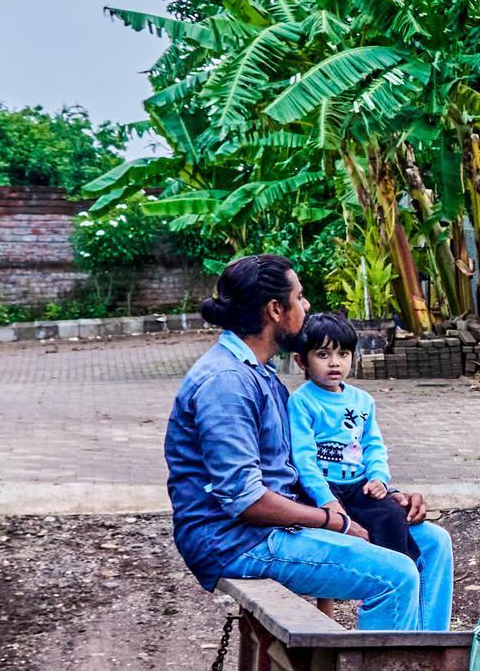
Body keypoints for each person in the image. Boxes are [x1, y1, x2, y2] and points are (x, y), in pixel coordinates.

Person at [164, 257, 455, 631]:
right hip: (235, 541)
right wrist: (333, 521)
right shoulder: (227, 383)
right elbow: (246, 500)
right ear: (274, 310)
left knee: (433, 544)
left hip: (270, 525)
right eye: (300, 298)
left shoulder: (258, 372)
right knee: (395, 574)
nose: (306, 307)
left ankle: (425, 670)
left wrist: (386, 496)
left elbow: (299, 465)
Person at [286, 313, 428, 566]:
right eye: (322, 355)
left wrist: (379, 479)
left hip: (358, 485)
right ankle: (360, 580)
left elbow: (373, 445)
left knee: (392, 515)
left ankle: (400, 572)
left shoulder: (362, 400)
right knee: (339, 538)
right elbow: (303, 457)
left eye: (343, 354)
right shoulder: (302, 401)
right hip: (323, 487)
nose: (334, 363)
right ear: (301, 361)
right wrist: (325, 498)